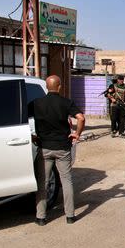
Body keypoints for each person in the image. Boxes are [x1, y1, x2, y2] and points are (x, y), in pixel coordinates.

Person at [29, 75, 85, 225]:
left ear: (47, 87)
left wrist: (31, 136)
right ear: (59, 86)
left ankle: (41, 217)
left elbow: (20, 120)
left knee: (43, 183)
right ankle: (70, 216)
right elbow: (81, 118)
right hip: (62, 148)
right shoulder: (66, 103)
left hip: (44, 147)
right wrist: (77, 134)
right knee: (66, 181)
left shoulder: (36, 103)